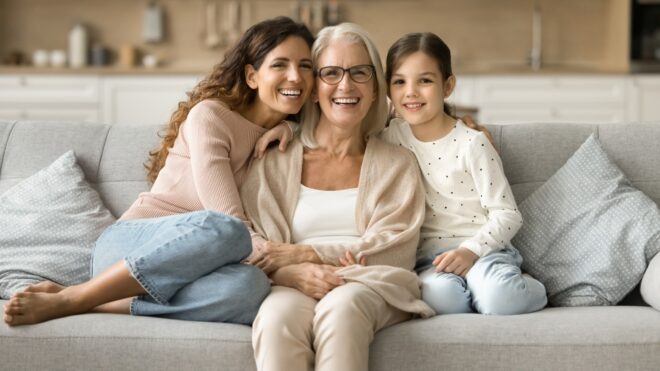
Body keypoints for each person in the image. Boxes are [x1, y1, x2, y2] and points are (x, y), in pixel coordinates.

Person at [2, 16, 315, 326]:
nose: (295, 77)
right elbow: (227, 218)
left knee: (250, 289)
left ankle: (93, 304)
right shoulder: (211, 116)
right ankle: (76, 297)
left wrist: (291, 128)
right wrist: (289, 260)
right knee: (228, 229)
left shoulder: (287, 139)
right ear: (251, 76)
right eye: (280, 65)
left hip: (192, 267)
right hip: (127, 248)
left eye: (305, 66)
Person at [240, 23, 434, 371]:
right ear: (314, 88)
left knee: (341, 309)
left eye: (359, 72)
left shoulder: (397, 163)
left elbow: (394, 248)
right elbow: (256, 245)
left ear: (375, 88)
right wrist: (291, 273)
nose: (345, 85)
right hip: (292, 282)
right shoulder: (274, 158)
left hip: (371, 283)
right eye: (331, 73)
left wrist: (308, 253)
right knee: (274, 317)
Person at [382, 32, 547, 315]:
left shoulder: (473, 143)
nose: (410, 91)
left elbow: (507, 214)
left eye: (425, 80)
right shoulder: (390, 137)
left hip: (483, 252)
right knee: (442, 301)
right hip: (431, 261)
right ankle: (478, 293)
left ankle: (524, 285)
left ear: (447, 86)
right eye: (400, 81)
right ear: (388, 90)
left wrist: (470, 251)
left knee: (502, 299)